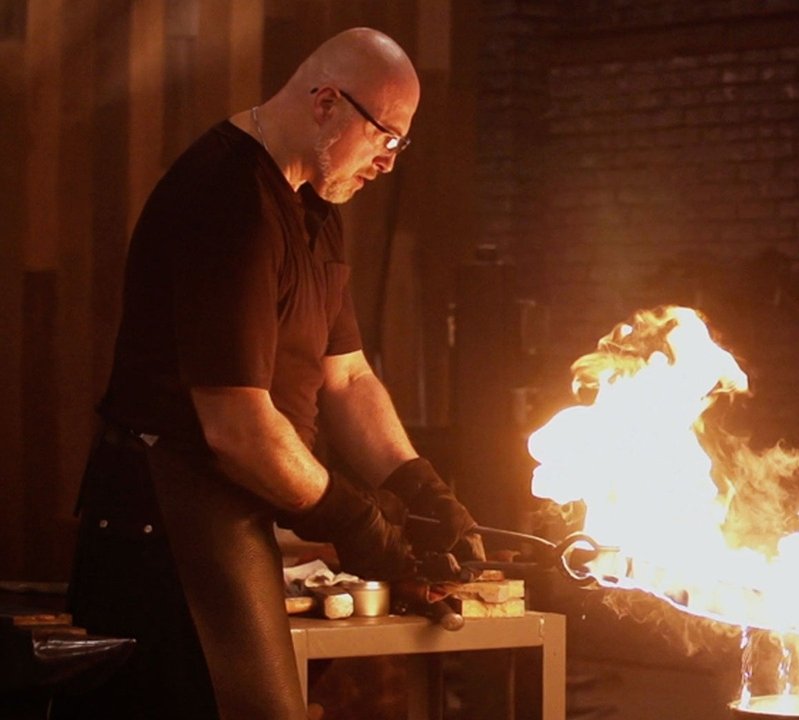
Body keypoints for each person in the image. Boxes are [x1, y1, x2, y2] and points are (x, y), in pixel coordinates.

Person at [53, 28, 481, 719]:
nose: (387, 162)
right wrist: (357, 522)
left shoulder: (314, 203)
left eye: (400, 145)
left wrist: (416, 484)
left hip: (235, 508)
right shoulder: (227, 201)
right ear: (326, 103)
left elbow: (347, 378)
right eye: (384, 137)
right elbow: (237, 427)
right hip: (164, 521)